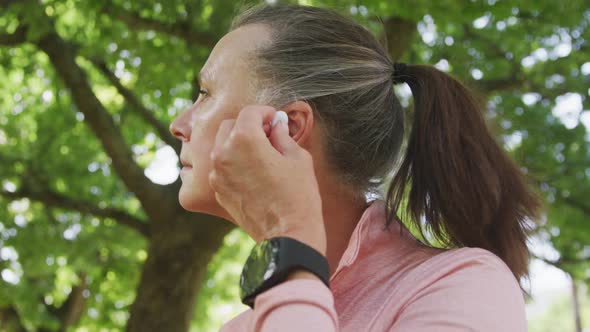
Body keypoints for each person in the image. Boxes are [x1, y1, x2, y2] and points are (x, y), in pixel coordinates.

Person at [169, 3, 540, 331]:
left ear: (288, 127)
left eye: (205, 94)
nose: (179, 124)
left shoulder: (464, 286)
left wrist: (288, 239)